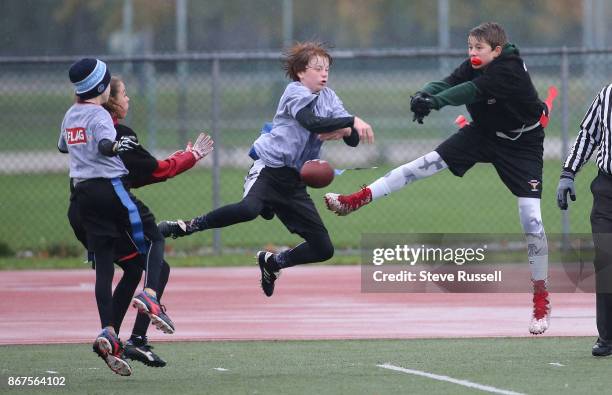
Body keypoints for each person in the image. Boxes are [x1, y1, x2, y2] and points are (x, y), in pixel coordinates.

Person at [324, 22, 551, 335]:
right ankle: (356, 200)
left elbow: (470, 91)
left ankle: (540, 296)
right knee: (423, 164)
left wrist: (436, 102)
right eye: (470, 47)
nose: (472, 53)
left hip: (522, 144)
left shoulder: (508, 70)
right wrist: (424, 95)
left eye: (479, 49)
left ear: (496, 51)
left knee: (531, 219)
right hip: (484, 134)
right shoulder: (474, 64)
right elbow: (449, 82)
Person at [158, 41, 374, 297]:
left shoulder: (329, 97)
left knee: (323, 248)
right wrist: (350, 121)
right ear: (301, 72)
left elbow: (351, 139)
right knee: (249, 209)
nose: (324, 73)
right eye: (317, 68)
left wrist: (348, 129)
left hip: (295, 181)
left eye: (327, 68)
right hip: (270, 168)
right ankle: (186, 226)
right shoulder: (295, 92)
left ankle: (273, 263)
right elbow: (311, 122)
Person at [66, 76, 214, 368]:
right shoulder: (118, 132)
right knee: (155, 250)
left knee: (131, 268)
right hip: (110, 202)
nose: (128, 99)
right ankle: (148, 301)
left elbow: (138, 173)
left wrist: (182, 156)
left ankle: (115, 336)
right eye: (125, 94)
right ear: (111, 99)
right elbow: (154, 170)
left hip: (80, 207)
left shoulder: (77, 119)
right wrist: (191, 156)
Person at [58, 59, 173, 375]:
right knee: (155, 237)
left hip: (82, 195)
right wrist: (113, 145)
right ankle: (150, 297)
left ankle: (108, 330)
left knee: (108, 268)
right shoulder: (97, 114)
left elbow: (62, 145)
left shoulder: (71, 115)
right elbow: (107, 144)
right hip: (110, 188)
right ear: (101, 87)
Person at [557, 84, 612, 356]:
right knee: (605, 260)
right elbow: (588, 136)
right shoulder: (607, 95)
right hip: (608, 190)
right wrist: (568, 173)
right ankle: (608, 337)